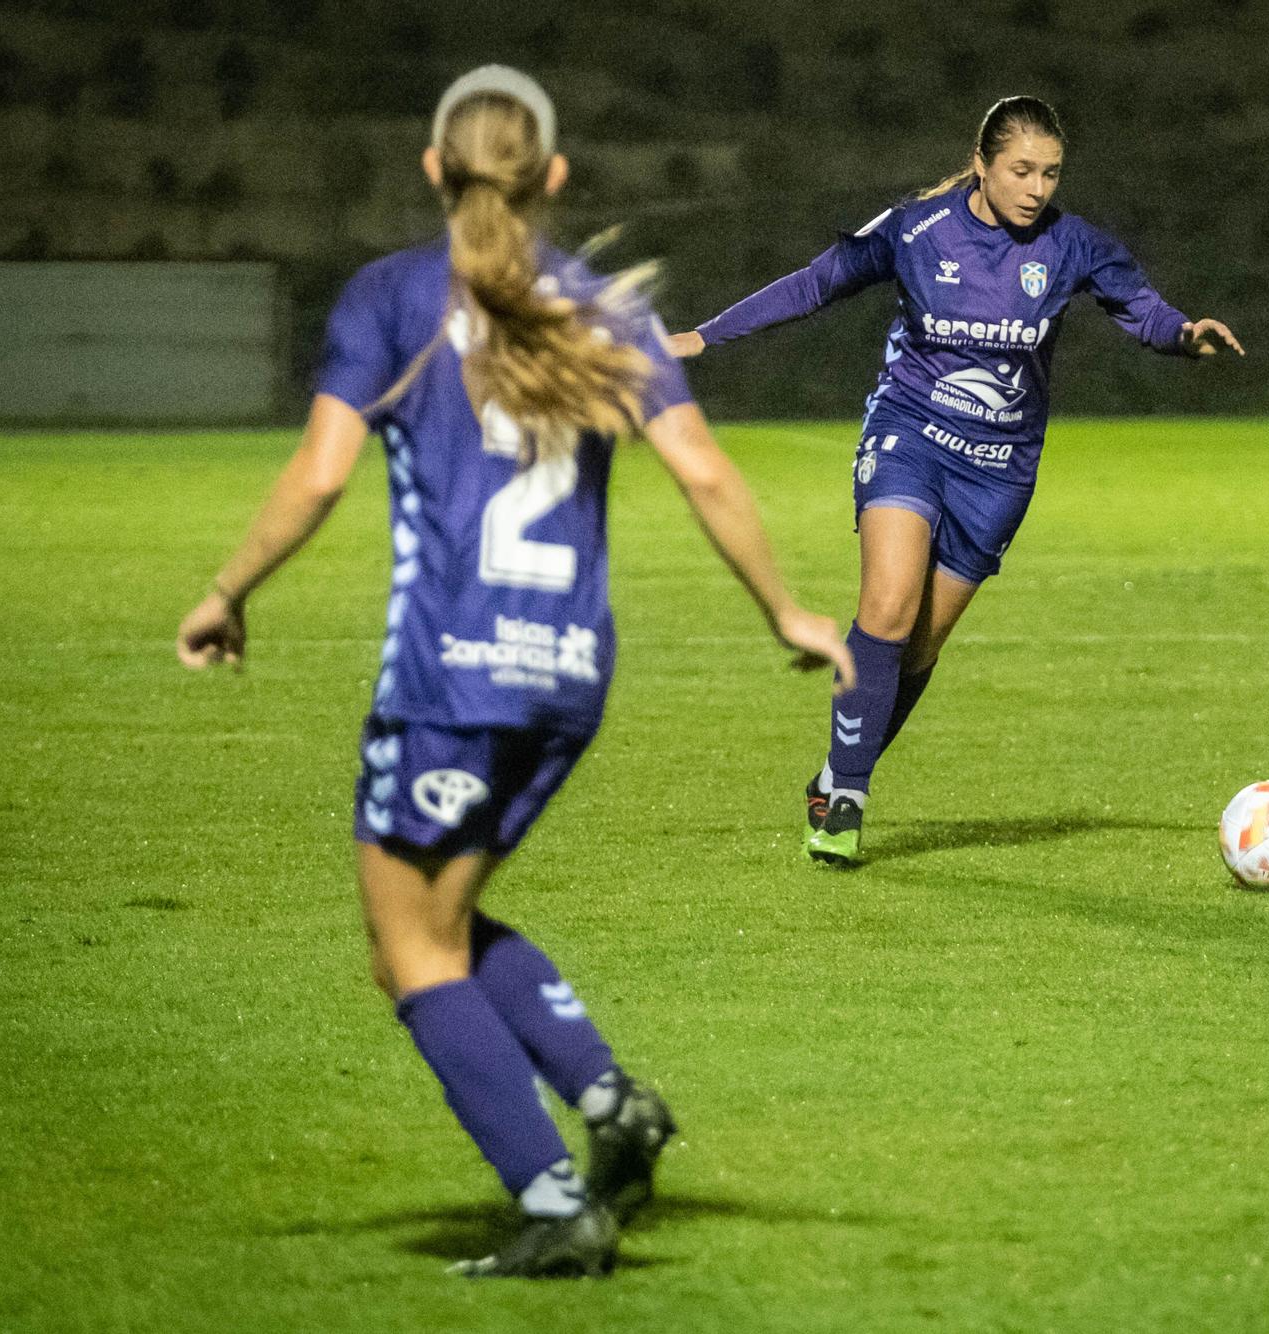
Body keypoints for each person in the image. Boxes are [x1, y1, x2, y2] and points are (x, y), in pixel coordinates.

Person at [175, 66, 852, 1279]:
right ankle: (610, 1106)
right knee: (440, 920)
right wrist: (788, 610)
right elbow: (700, 469)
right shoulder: (602, 307)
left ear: (434, 169)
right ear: (552, 178)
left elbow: (323, 474)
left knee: (407, 951)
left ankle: (552, 1203)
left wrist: (227, 592)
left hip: (451, 681)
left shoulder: (393, 296)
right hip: (569, 677)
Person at [668, 96, 1244, 866]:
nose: (1036, 188)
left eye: (1050, 173)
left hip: (1001, 470)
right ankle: (845, 801)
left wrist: (1183, 334)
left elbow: (1140, 310)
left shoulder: (1073, 246)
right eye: (1020, 170)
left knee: (919, 647)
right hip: (908, 434)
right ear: (982, 164)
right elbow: (817, 282)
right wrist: (707, 335)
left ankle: (839, 772)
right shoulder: (917, 229)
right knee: (888, 602)